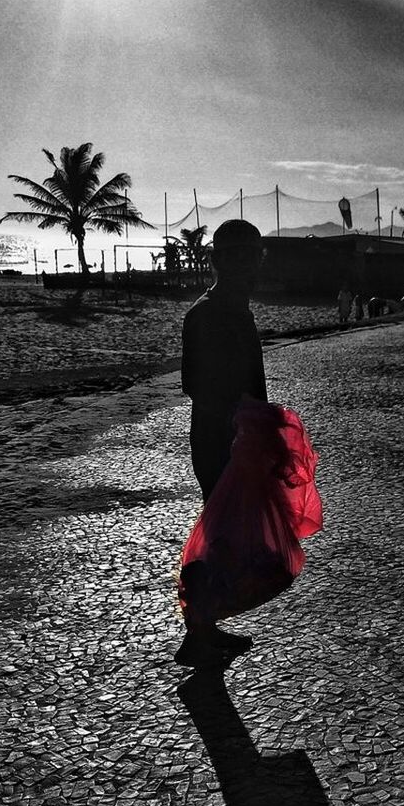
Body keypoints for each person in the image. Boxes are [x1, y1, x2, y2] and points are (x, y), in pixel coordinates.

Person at [176, 219, 268, 666]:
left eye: (251, 256)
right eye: (235, 257)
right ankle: (198, 633)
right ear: (216, 261)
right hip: (220, 442)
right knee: (217, 536)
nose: (246, 266)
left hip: (235, 440)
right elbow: (196, 385)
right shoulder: (210, 314)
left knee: (223, 536)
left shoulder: (234, 310)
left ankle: (204, 629)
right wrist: (239, 434)